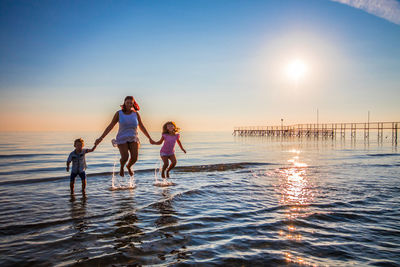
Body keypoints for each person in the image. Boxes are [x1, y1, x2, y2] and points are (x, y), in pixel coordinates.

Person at [95, 96, 153, 177]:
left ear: (133, 104)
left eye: (131, 103)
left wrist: (149, 138)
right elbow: (110, 126)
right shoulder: (119, 113)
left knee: (134, 158)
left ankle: (128, 166)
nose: (129, 104)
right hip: (122, 138)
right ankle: (122, 167)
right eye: (127, 102)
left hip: (133, 138)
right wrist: (101, 138)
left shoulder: (136, 114)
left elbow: (142, 127)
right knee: (125, 157)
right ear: (124, 103)